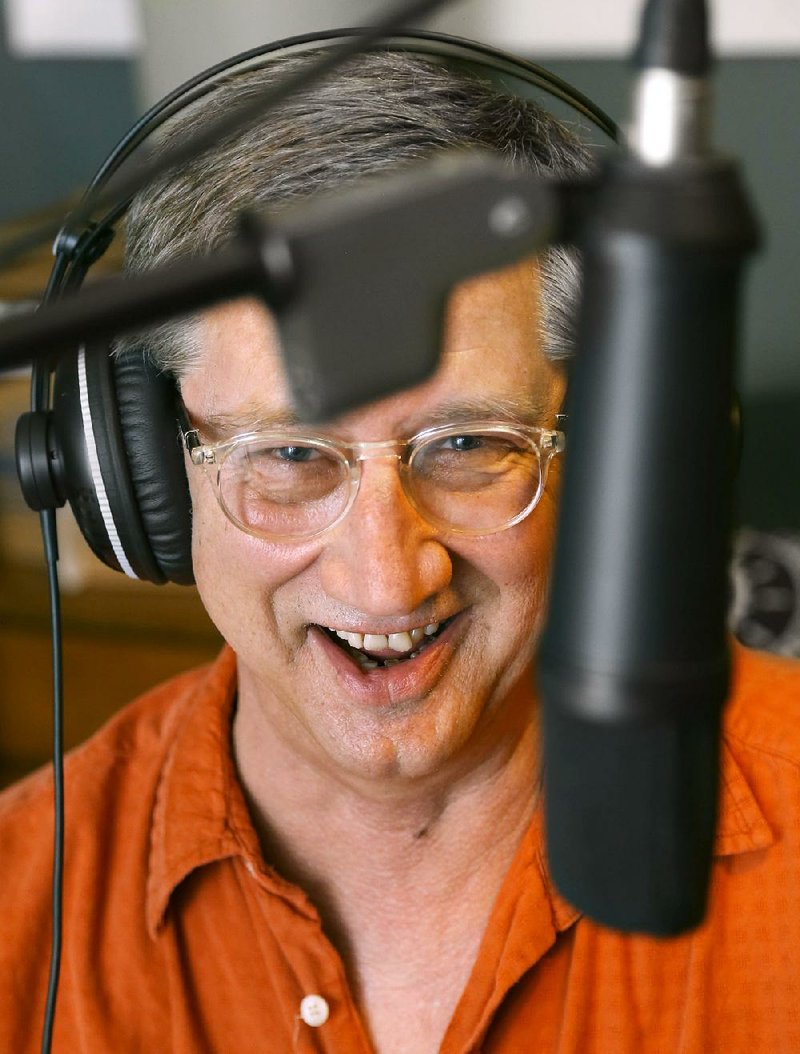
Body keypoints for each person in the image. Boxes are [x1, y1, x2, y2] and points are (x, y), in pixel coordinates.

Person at [2, 40, 800, 1054]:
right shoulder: (21, 914)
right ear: (143, 468)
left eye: (469, 445)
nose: (385, 574)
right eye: (288, 454)